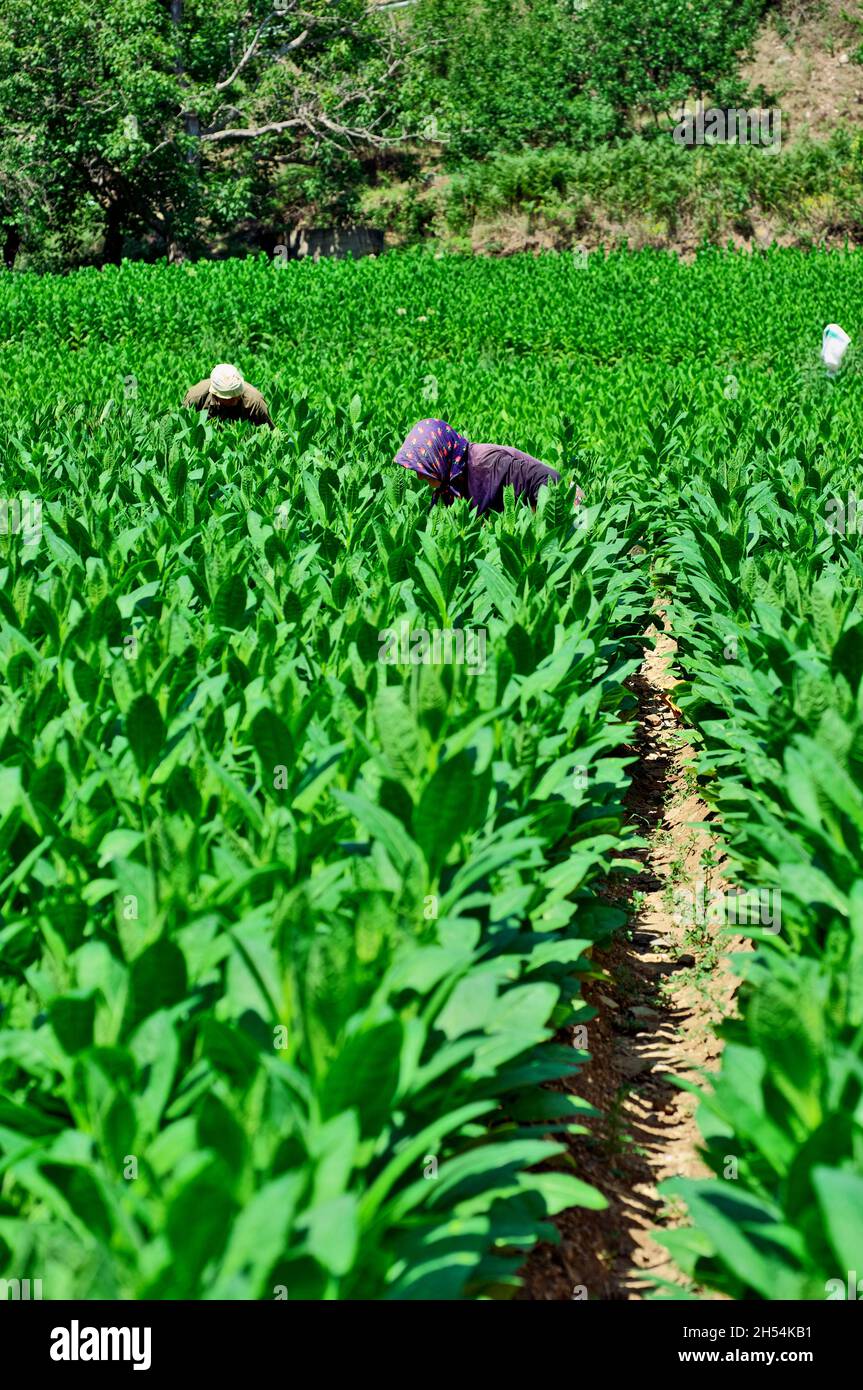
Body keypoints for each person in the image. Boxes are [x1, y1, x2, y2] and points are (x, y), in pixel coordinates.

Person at [395, 418, 582, 514]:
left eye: (424, 468)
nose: (420, 477)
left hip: (570, 504)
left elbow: (549, 480)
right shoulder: (451, 482)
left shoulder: (486, 463)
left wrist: (538, 522)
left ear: (440, 455)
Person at [182, 364, 274, 428]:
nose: (234, 401)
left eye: (237, 396)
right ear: (215, 394)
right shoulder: (195, 398)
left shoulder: (255, 402)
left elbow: (268, 432)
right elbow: (184, 428)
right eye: (229, 399)